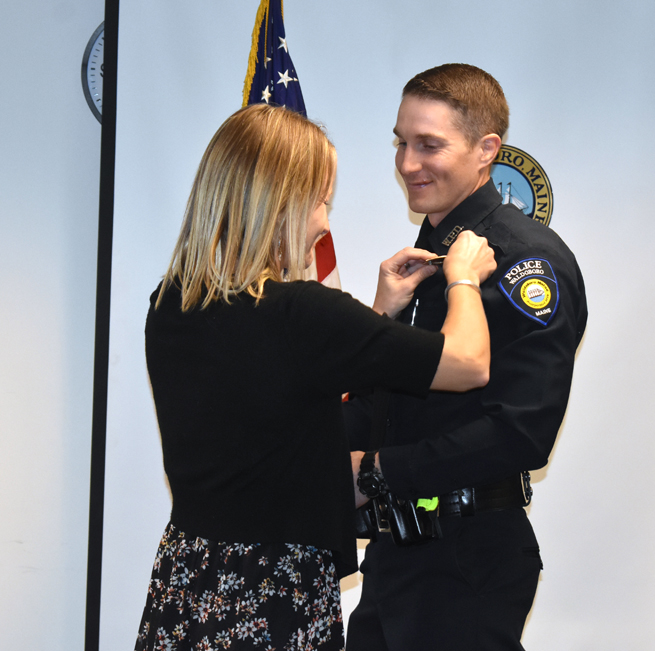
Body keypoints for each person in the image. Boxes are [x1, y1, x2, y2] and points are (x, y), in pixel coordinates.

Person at [134, 103, 497, 651]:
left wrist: (374, 315)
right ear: (283, 201)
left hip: (187, 585)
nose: (325, 221)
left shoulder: (171, 304)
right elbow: (469, 364)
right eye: (323, 200)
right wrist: (463, 279)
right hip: (273, 595)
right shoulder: (303, 313)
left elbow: (274, 399)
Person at [345, 64, 588, 650]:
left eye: (430, 145)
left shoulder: (524, 261)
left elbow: (521, 431)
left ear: (486, 151)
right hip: (398, 550)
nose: (408, 163)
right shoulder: (421, 261)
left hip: (466, 559)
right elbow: (395, 403)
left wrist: (378, 473)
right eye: (401, 142)